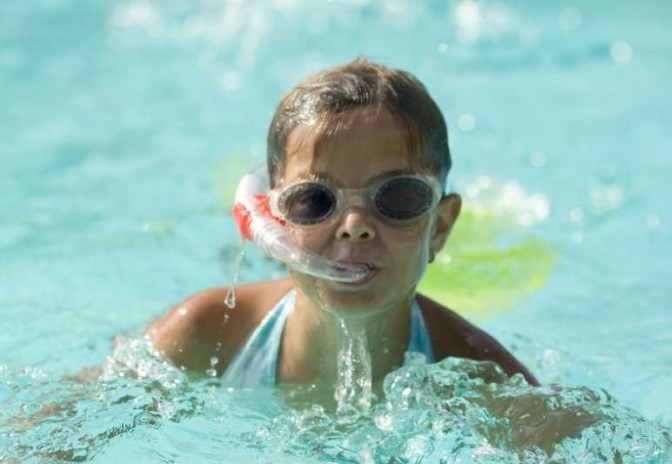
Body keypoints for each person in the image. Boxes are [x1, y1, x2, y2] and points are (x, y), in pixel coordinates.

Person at [146, 58, 538, 402]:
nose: (354, 226)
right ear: (274, 221)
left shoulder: (486, 383)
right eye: (314, 200)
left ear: (440, 227)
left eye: (399, 196)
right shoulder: (207, 334)